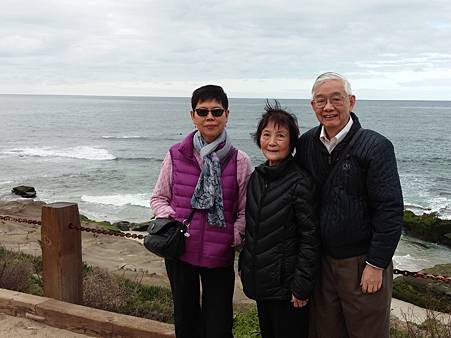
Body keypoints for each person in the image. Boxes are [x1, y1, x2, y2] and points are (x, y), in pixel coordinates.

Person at [295, 72, 404, 338]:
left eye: (336, 99)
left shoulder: (375, 146)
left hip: (361, 263)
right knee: (325, 332)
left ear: (352, 102)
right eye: (321, 100)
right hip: (322, 261)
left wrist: (376, 264)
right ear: (313, 106)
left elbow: (390, 209)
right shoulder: (307, 143)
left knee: (366, 332)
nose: (328, 107)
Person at [150, 85, 252, 338]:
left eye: (216, 111)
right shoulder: (176, 154)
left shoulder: (240, 161)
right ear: (192, 115)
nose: (210, 117)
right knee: (185, 320)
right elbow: (159, 198)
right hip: (180, 251)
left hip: (219, 254)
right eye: (203, 111)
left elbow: (245, 210)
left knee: (218, 324)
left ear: (227, 114)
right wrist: (174, 223)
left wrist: (234, 235)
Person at [239, 100, 320, 338]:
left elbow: (311, 238)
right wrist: (244, 264)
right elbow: (253, 229)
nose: (272, 142)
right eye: (266, 134)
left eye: (280, 135)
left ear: (292, 142)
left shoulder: (300, 182)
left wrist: (301, 286)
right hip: (261, 283)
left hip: (288, 289)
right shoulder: (257, 177)